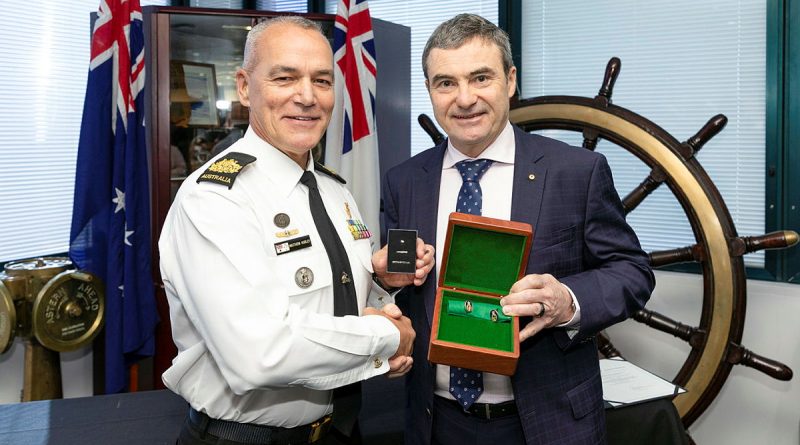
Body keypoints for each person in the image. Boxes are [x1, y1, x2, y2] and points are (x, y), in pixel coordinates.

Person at [159, 16, 434, 445]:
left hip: (340, 430)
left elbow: (324, 304)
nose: (306, 97)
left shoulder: (333, 189)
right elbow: (257, 354)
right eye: (285, 78)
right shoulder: (214, 199)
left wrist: (378, 282)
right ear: (246, 87)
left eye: (321, 81)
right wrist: (385, 337)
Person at [382, 14, 655, 445]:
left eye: (481, 78)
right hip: (435, 422)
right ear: (430, 90)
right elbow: (398, 283)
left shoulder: (576, 172)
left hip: (548, 422)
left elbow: (632, 271)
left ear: (510, 81)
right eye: (446, 83)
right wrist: (388, 279)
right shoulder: (405, 180)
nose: (465, 98)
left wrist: (567, 301)